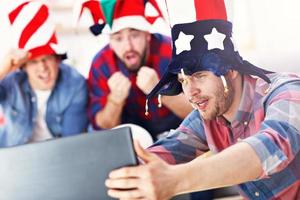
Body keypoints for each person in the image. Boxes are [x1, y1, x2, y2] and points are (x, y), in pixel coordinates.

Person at [105, 0, 300, 199]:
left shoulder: (287, 91)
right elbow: (171, 147)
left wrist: (175, 180)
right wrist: (126, 174)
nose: (191, 92)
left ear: (230, 69)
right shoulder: (208, 115)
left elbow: (271, 149)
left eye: (199, 76)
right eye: (183, 80)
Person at [77, 0, 192, 140]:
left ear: (147, 35)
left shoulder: (172, 51)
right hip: (130, 140)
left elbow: (199, 112)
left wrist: (160, 91)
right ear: (111, 43)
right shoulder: (101, 64)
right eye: (118, 38)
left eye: (135, 35)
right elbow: (102, 128)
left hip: (179, 134)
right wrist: (115, 100)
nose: (128, 47)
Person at [0, 1, 88, 147]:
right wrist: (3, 69)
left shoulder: (75, 84)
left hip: (56, 157)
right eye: (34, 61)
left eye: (47, 58)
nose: (42, 67)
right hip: (12, 158)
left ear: (57, 60)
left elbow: (72, 144)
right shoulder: (11, 81)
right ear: (24, 66)